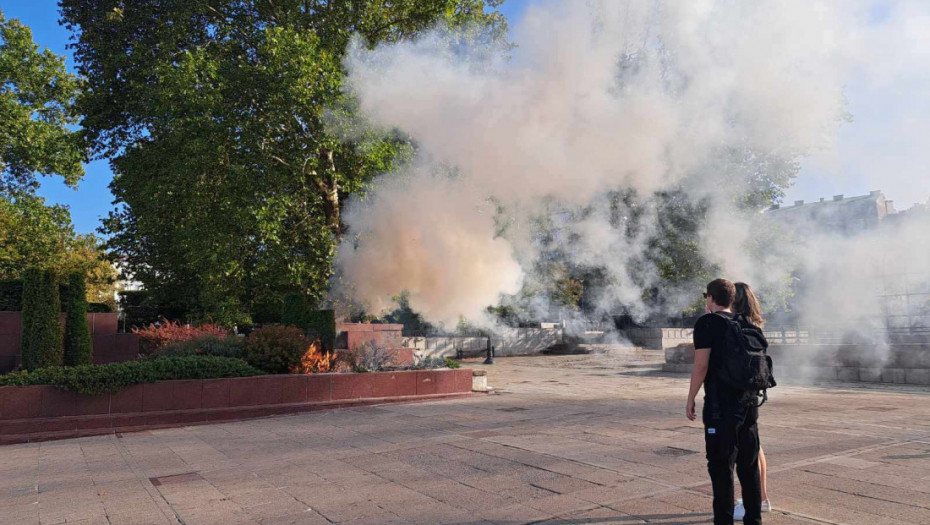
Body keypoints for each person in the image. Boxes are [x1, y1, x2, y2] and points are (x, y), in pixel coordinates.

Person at [686, 278, 763, 525]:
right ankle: (754, 520)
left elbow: (701, 365)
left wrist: (690, 398)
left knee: (721, 468)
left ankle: (724, 521)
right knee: (749, 467)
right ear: (731, 299)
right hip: (750, 405)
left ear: (710, 298)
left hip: (721, 408)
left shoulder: (707, 323)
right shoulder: (746, 324)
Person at [732, 282, 771, 519]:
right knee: (755, 448)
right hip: (752, 392)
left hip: (738, 395)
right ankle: (762, 498)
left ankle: (757, 501)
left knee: (746, 452)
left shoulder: (735, 325)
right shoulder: (753, 324)